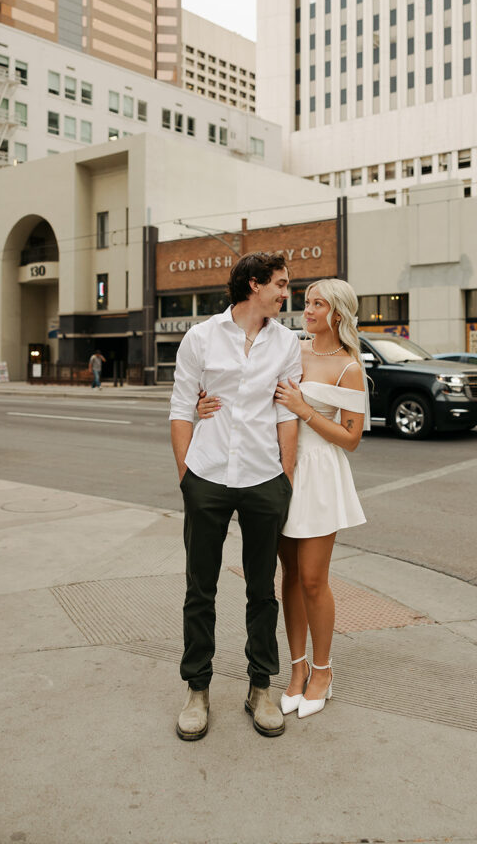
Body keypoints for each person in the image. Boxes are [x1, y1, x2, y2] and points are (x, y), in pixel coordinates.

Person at [197, 278, 367, 721]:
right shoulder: (290, 347)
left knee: (313, 578)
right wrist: (202, 406)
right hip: (276, 468)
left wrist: (304, 408)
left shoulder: (350, 366)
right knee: (287, 576)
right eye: (307, 302)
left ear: (338, 313)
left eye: (318, 304)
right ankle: (296, 670)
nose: (307, 310)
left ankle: (324, 672)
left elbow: (351, 438)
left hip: (320, 474)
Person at [169, 252, 302, 741]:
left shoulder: (287, 342)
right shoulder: (201, 337)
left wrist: (284, 477)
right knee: (199, 588)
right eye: (281, 284)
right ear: (254, 285)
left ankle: (259, 688)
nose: (286, 293)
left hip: (263, 477)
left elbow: (287, 413)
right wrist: (187, 474)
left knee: (262, 590)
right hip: (207, 475)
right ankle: (197, 690)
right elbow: (182, 406)